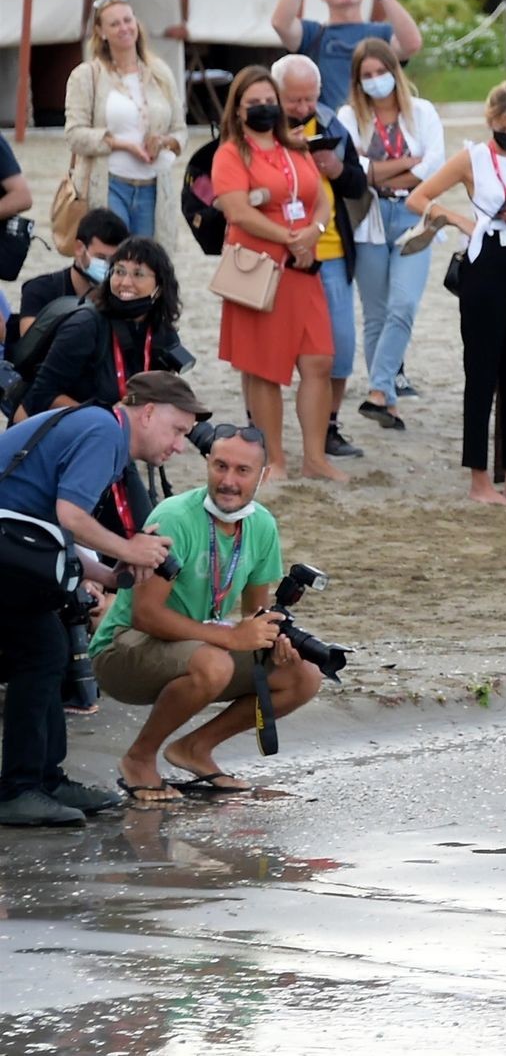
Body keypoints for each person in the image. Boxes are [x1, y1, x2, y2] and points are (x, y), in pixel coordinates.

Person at [0, 370, 204, 826]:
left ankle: (45, 780)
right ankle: (18, 789)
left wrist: (109, 574)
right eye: (177, 430)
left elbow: (50, 523)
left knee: (48, 653)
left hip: (13, 542)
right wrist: (130, 549)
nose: (179, 446)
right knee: (42, 654)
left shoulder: (97, 427)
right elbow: (70, 515)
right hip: (8, 544)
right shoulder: (104, 432)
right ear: (147, 413)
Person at [90, 424, 321, 803]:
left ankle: (194, 749)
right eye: (220, 466)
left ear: (263, 475)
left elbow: (255, 612)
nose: (228, 481)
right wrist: (231, 636)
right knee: (214, 662)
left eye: (242, 471)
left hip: (196, 647)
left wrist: (272, 641)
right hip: (122, 650)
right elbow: (145, 616)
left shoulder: (262, 524)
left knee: (304, 674)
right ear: (208, 464)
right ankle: (139, 758)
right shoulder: (175, 517)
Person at [405, 82, 506, 504]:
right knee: (481, 372)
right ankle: (479, 478)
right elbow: (418, 198)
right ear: (490, 122)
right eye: (502, 128)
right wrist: (459, 219)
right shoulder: (472, 157)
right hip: (486, 261)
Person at [210, 67, 344, 483]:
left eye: (270, 101)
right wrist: (289, 238)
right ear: (238, 109)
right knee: (264, 367)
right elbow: (237, 210)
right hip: (259, 269)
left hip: (303, 266)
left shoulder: (295, 148)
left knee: (319, 360)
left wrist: (313, 232)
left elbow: (321, 199)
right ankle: (273, 460)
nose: (264, 109)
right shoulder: (231, 153)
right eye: (255, 103)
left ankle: (315, 458)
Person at [335, 37, 446, 434]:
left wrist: (383, 172)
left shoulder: (422, 111)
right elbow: (356, 169)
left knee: (404, 304)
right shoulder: (349, 117)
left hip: (414, 215)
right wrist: (406, 164)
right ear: (357, 80)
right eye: (367, 75)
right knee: (376, 313)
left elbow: (433, 165)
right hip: (368, 217)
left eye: (381, 71)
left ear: (394, 72)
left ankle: (379, 388)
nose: (375, 80)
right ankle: (388, 403)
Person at [272, 53, 370, 461]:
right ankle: (262, 431)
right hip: (276, 254)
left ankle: (329, 426)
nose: (303, 108)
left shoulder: (332, 125)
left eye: (309, 98)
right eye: (294, 100)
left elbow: (359, 185)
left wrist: (336, 169)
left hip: (329, 251)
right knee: (267, 351)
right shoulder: (262, 129)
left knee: (340, 348)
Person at [62, 0, 187, 238]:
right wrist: (121, 144)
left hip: (153, 187)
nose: (124, 28)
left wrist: (163, 141)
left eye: (128, 20)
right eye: (114, 24)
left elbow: (180, 129)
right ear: (101, 32)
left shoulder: (160, 73)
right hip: (109, 183)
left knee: (145, 256)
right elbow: (74, 135)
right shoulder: (87, 75)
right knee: (112, 252)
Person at [19, 238, 185, 417]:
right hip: (71, 425)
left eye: (138, 274)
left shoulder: (163, 332)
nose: (125, 282)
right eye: (119, 271)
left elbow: (164, 397)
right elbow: (42, 394)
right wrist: (107, 418)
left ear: (159, 287)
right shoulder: (85, 326)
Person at [271, 0, 422, 110]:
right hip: (331, 124)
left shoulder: (383, 34)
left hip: (375, 123)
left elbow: (412, 44)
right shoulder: (313, 35)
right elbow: (280, 23)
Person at [9, 209, 128, 347]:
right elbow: (31, 345)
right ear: (79, 248)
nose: (107, 265)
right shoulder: (41, 290)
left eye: (114, 260)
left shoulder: (122, 297)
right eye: (101, 258)